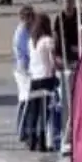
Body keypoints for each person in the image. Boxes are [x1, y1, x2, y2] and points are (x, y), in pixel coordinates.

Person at [21, 11, 60, 152]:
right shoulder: (48, 41)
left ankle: (32, 139)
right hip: (46, 78)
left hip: (34, 78)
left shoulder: (31, 41)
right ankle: (43, 142)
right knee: (45, 112)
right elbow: (52, 60)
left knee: (34, 111)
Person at [11, 6, 35, 141]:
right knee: (25, 98)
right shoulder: (21, 32)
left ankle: (25, 129)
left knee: (26, 99)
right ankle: (21, 129)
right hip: (22, 69)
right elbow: (24, 52)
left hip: (26, 67)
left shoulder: (27, 29)